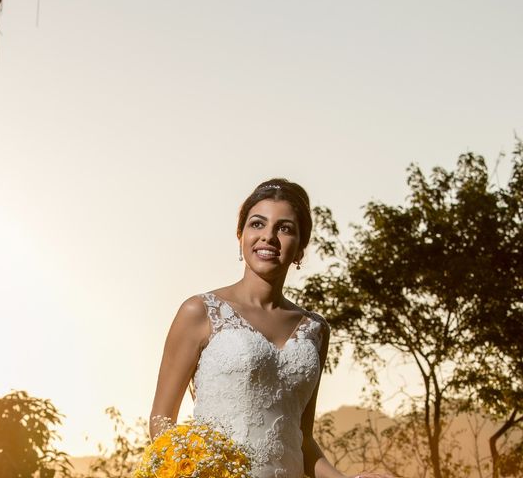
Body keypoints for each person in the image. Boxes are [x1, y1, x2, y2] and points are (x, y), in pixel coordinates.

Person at [148, 178, 391, 478]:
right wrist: (193, 468)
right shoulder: (199, 311)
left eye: (285, 228)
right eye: (257, 224)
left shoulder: (315, 330)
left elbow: (302, 439)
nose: (269, 237)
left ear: (300, 249)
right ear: (240, 236)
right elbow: (161, 420)